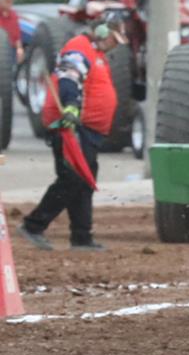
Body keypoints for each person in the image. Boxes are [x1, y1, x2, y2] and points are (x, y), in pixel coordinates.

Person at [18, 19, 124, 251]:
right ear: (103, 32)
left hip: (87, 130)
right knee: (73, 179)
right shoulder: (79, 48)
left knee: (83, 181)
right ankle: (34, 225)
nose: (115, 45)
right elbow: (69, 78)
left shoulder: (95, 53)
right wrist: (71, 107)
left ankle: (82, 237)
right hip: (72, 127)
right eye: (114, 40)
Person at [0, 0, 23, 64]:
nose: (10, 4)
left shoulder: (14, 15)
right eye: (7, 1)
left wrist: (19, 50)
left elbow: (17, 36)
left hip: (11, 50)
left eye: (11, 1)